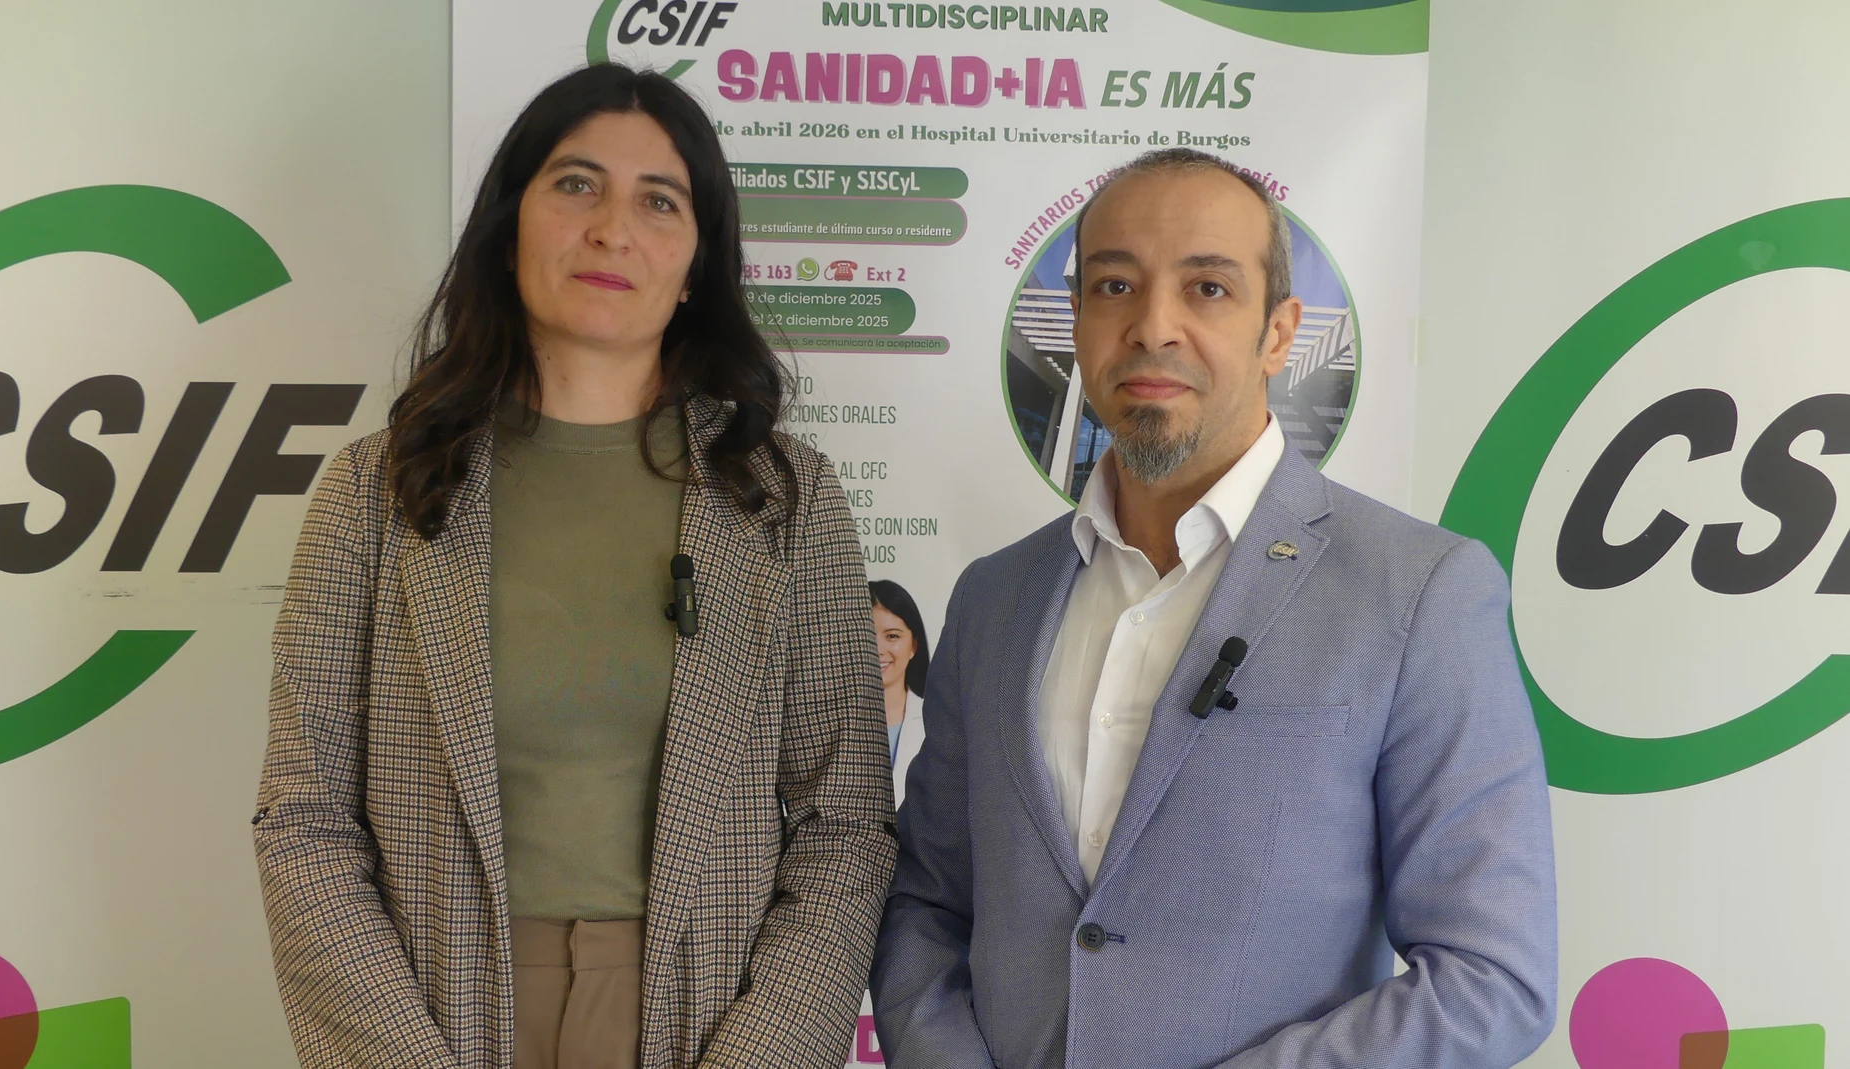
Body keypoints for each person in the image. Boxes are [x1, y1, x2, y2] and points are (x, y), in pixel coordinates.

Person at [253, 63, 895, 1069]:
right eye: (575, 184)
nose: (610, 228)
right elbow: (305, 821)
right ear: (509, 228)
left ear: (696, 264)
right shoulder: (372, 493)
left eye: (659, 201)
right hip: (436, 1010)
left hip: (706, 1019)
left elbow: (845, 829)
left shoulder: (787, 500)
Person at [871, 148, 1558, 1069]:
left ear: (1280, 334)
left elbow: (1491, 976)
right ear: (1075, 320)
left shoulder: (1420, 589)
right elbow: (926, 904)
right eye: (1115, 285)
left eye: (1207, 289)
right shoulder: (994, 599)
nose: (1154, 326)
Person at [868, 580, 930, 794]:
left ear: (914, 645)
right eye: (865, 635)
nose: (877, 649)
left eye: (892, 636)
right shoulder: (821, 725)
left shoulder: (938, 724)